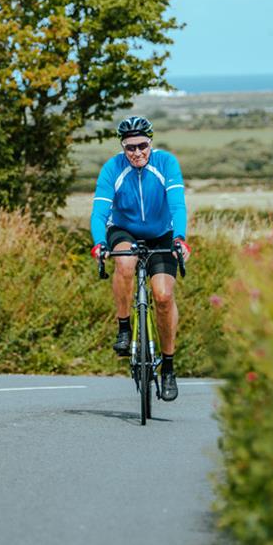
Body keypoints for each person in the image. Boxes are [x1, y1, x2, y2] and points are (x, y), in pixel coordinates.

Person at [90, 115, 190, 402]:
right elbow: (99, 213)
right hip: (124, 231)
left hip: (162, 233)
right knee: (124, 262)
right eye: (130, 147)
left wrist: (179, 238)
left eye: (142, 146)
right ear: (123, 147)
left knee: (162, 295)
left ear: (151, 143)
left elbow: (177, 205)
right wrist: (99, 243)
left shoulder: (166, 163)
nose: (136, 153)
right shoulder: (112, 169)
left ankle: (168, 367)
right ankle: (124, 328)